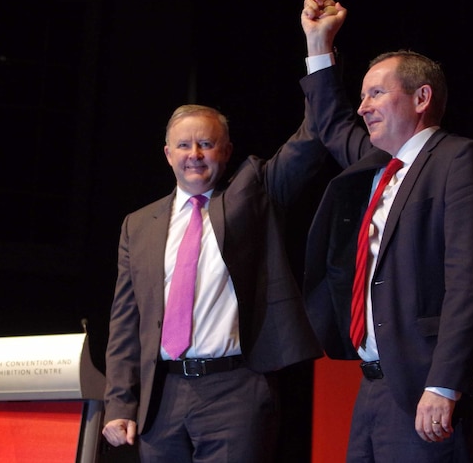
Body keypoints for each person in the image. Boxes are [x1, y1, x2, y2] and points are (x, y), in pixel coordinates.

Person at [298, 0, 473, 462]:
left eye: (376, 93)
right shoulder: (379, 166)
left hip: (426, 385)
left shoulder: (459, 161)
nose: (364, 106)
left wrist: (444, 383)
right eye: (363, 95)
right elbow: (331, 124)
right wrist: (318, 43)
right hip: (373, 386)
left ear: (421, 97)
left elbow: (470, 283)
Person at [101, 103, 325, 462]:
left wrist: (318, 54)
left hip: (234, 391)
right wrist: (119, 403)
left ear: (227, 150)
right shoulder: (139, 224)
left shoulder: (251, 197)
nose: (195, 155)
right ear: (168, 154)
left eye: (206, 143)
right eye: (184, 145)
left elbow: (311, 139)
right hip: (162, 397)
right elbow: (126, 323)